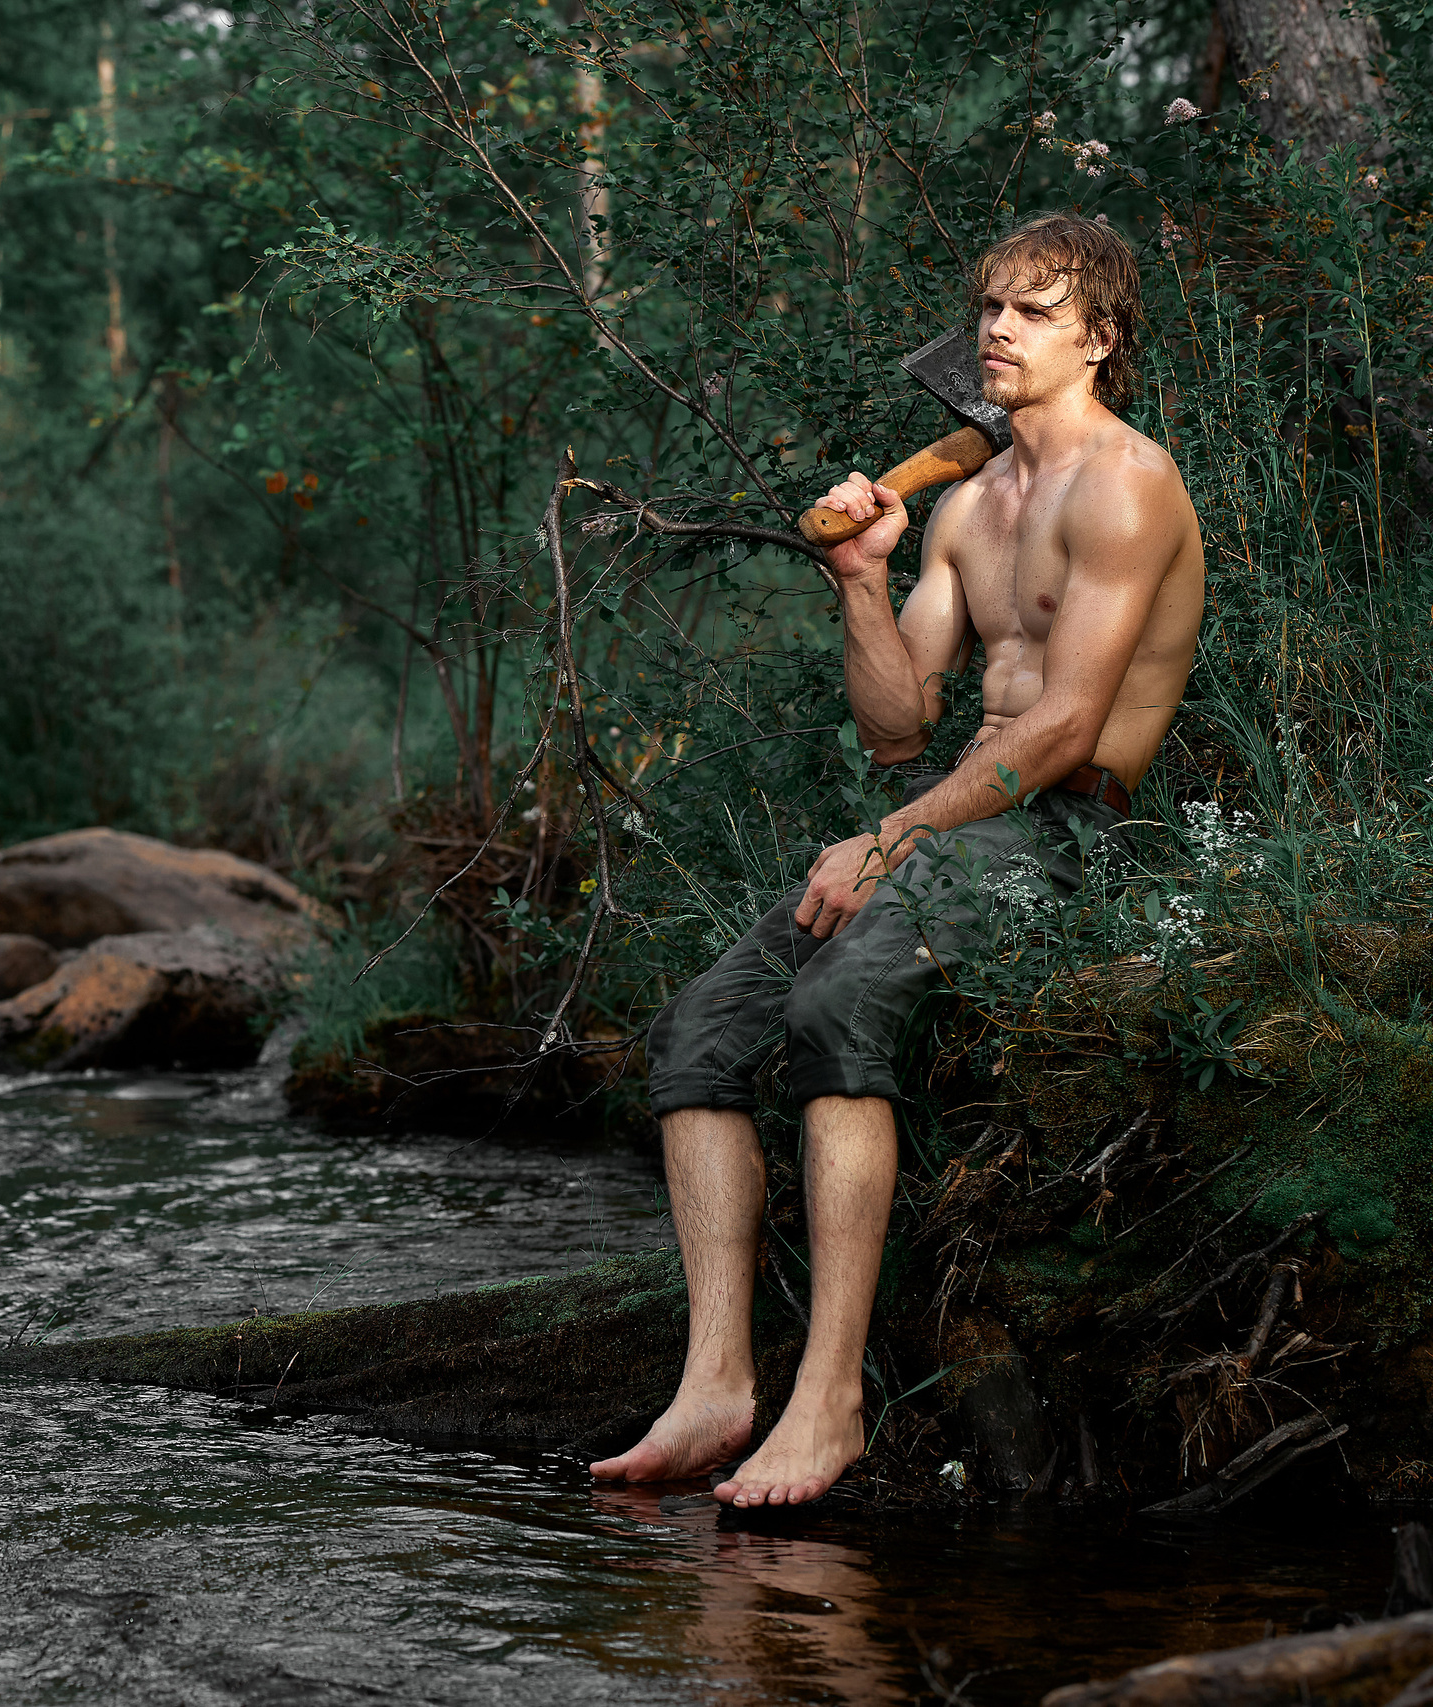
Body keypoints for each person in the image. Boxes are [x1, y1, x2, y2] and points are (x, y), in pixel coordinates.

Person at [588, 212, 1207, 1508]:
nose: (994, 328)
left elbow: (1067, 727)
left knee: (835, 999)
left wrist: (895, 836)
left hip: (1074, 828)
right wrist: (862, 580)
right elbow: (898, 728)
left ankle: (829, 1400)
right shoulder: (970, 506)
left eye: (1032, 311)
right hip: (952, 819)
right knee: (700, 1031)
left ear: (1100, 338)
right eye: (988, 305)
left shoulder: (1128, 482)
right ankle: (717, 1384)